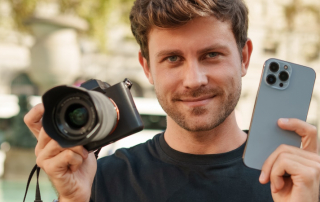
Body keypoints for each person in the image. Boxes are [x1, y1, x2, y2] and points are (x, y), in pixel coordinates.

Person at [24, 0, 320, 201]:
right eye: (173, 58)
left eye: (211, 55)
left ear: (244, 57)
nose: (194, 79)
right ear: (147, 68)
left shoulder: (300, 178)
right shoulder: (101, 179)